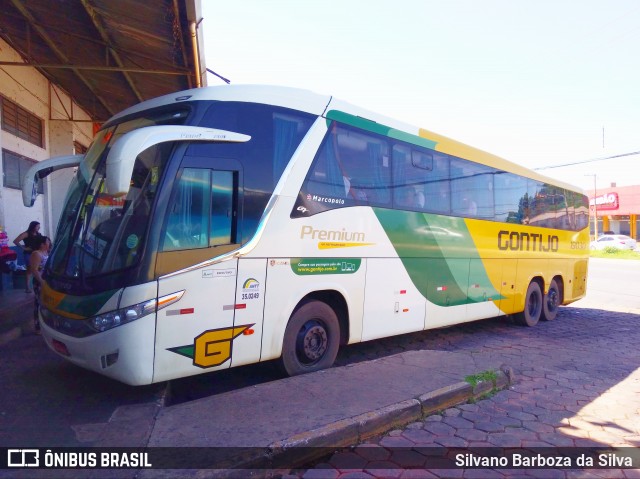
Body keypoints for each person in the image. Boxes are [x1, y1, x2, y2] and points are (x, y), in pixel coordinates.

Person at [13, 221, 43, 293]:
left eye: (39, 226)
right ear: (33, 226)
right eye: (37, 226)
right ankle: (27, 287)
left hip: (37, 254)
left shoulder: (38, 234)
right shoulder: (26, 233)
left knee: (38, 270)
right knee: (29, 270)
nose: (39, 228)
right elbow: (16, 241)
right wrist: (24, 248)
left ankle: (38, 286)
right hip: (28, 254)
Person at [29, 236, 50, 333]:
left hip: (47, 281)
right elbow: (34, 270)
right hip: (40, 281)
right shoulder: (36, 254)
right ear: (42, 244)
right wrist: (41, 281)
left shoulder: (46, 252)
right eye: (47, 242)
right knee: (39, 302)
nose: (48, 243)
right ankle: (38, 327)